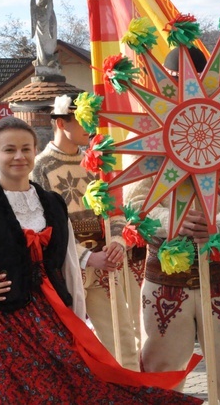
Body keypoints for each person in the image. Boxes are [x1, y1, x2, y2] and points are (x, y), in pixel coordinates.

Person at [0, 116, 200, 404]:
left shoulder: (52, 202)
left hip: (53, 320)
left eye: (26, 148)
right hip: (1, 325)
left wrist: (76, 315)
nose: (19, 156)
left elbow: (69, 261)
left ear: (35, 152)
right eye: (9, 149)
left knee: (72, 390)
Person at [125, 47, 220, 404]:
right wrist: (174, 223)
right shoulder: (147, 136)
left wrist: (217, 225)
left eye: (193, 80)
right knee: (161, 374)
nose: (184, 87)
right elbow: (133, 204)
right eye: (175, 80)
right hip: (165, 280)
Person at [31, 94, 142, 371]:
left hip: (106, 264)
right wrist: (85, 257)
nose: (90, 125)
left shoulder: (97, 162)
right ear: (60, 122)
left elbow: (116, 210)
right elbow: (41, 228)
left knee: (122, 341)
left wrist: (117, 241)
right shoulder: (39, 168)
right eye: (82, 118)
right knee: (70, 346)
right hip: (66, 267)